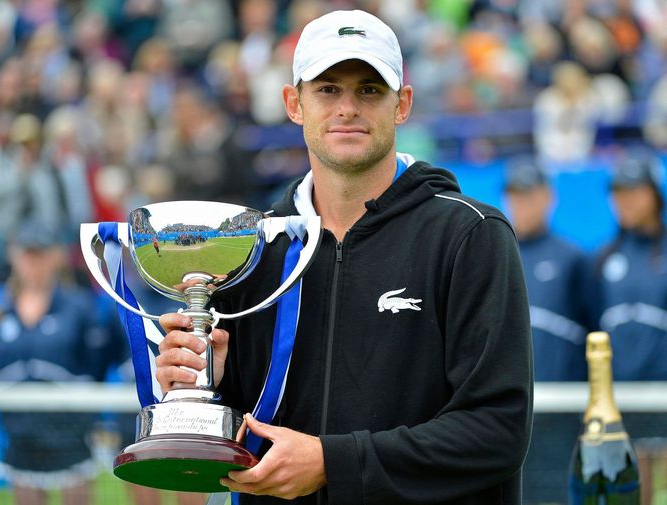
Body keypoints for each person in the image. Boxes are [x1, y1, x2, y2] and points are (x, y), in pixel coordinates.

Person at [155, 9, 533, 505]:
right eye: (328, 89)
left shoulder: (469, 235)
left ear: (403, 105)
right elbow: (246, 436)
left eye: (370, 90)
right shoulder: (254, 244)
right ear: (295, 103)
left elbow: (496, 431)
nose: (348, 108)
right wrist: (210, 384)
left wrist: (332, 463)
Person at [0, 219, 121, 505]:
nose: (33, 263)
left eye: (41, 254)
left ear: (56, 256)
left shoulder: (80, 307)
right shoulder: (0, 311)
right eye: (27, 254)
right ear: (13, 255)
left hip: (70, 436)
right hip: (20, 437)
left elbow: (97, 365)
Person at [502, 158, 588, 505]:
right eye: (515, 196)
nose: (522, 204)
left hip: (560, 414)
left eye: (530, 195)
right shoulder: (494, 250)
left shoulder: (573, 259)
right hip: (505, 416)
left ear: (548, 198)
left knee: (554, 493)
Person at [589, 153, 667, 380]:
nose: (625, 201)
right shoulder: (603, 257)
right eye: (618, 193)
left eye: (634, 191)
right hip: (616, 393)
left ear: (655, 194)